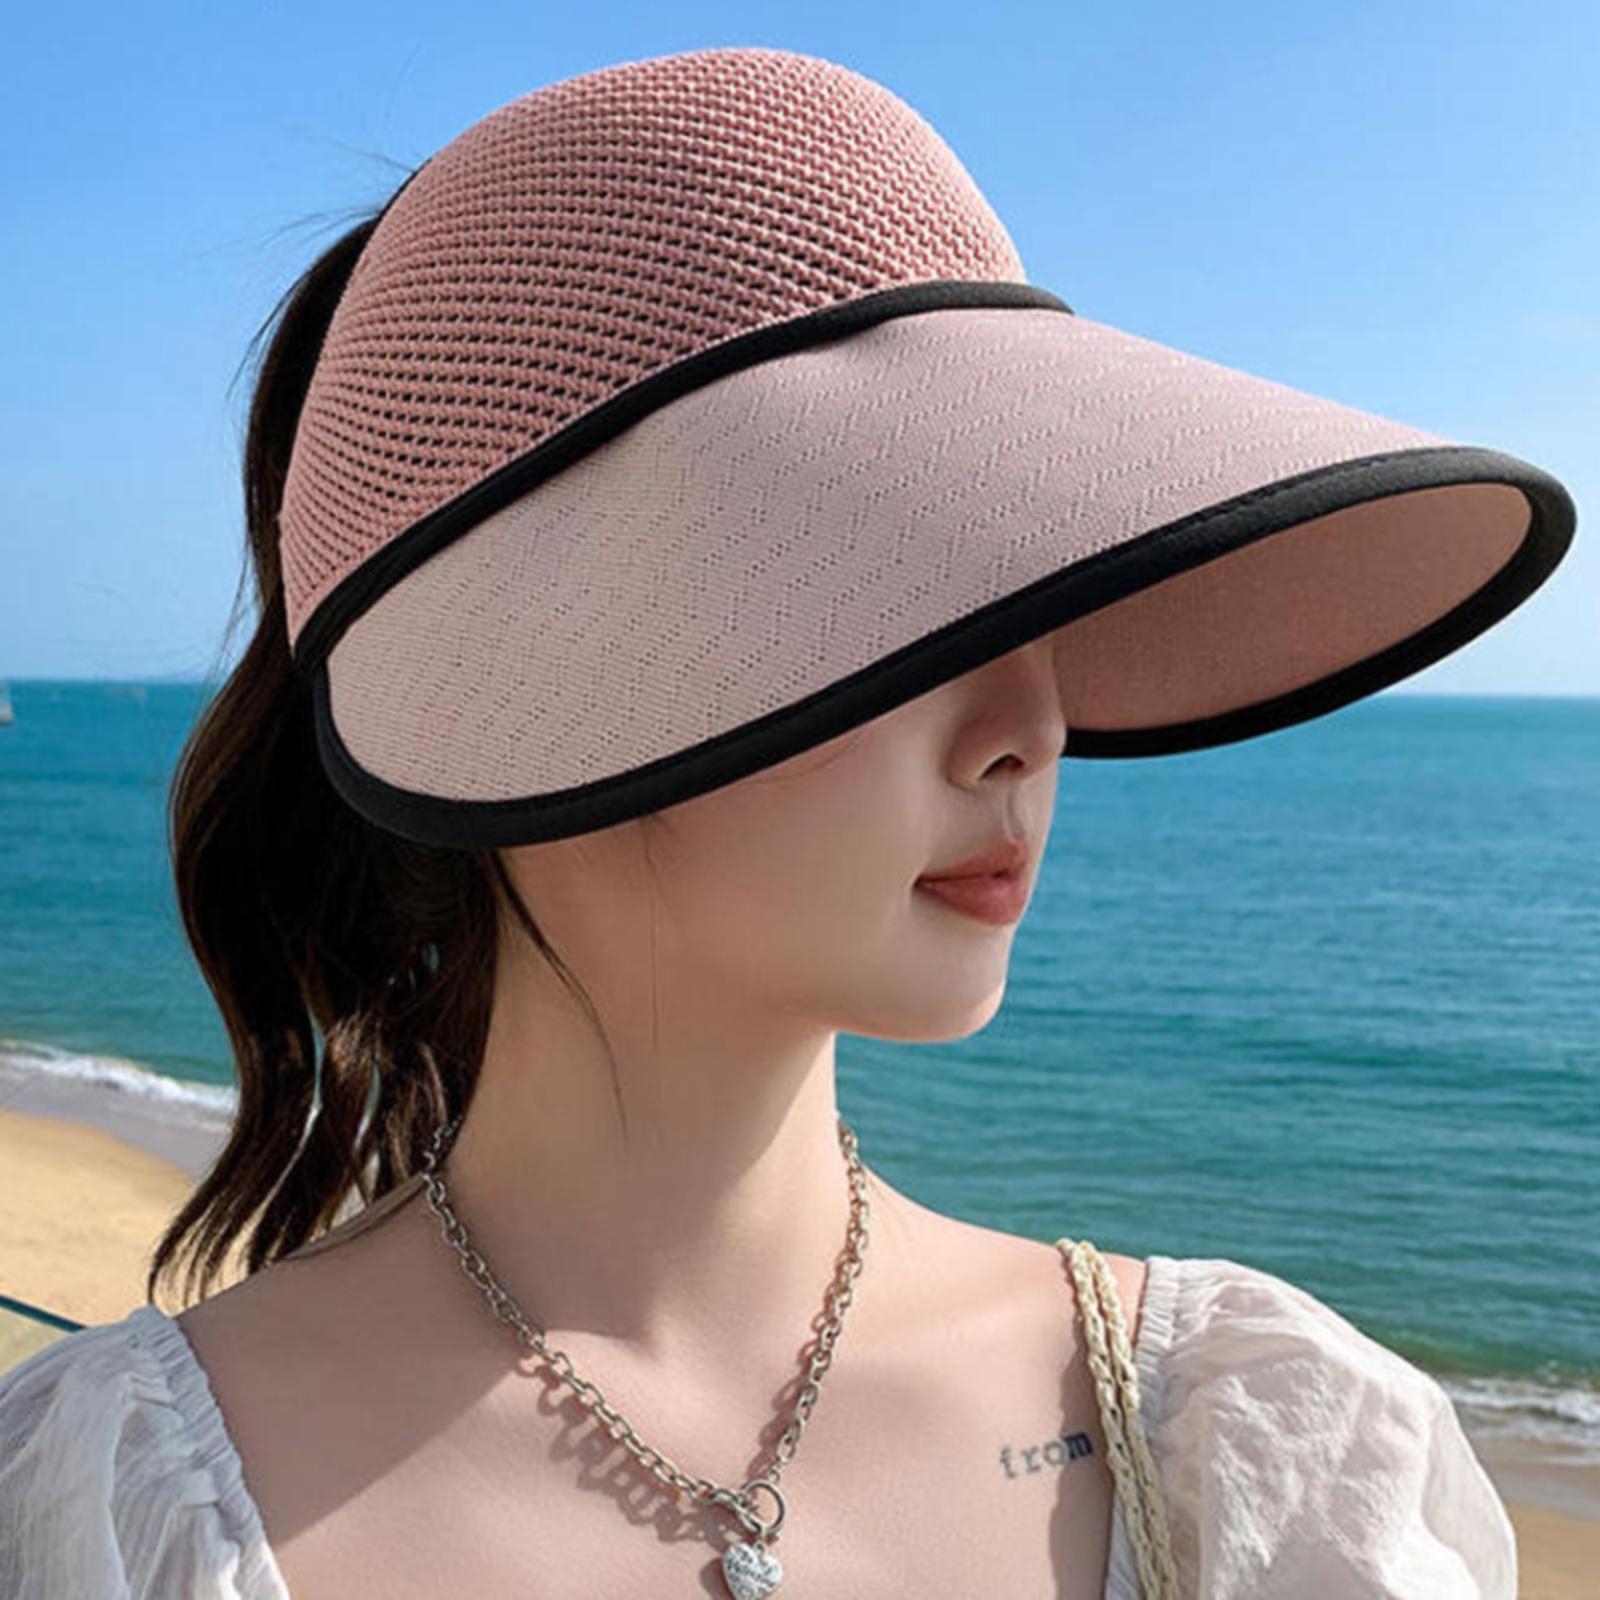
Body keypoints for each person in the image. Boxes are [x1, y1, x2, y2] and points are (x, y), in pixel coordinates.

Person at [0, 45, 1571, 1600]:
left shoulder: (1250, 1448)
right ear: (535, 672)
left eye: (1036, 602)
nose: (1029, 730)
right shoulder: (115, 1513)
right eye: (896, 606)